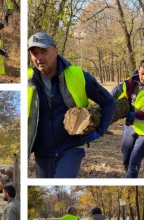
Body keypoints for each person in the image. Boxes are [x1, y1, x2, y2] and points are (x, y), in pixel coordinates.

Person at [27, 32, 116, 178]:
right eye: (34, 53)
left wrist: (99, 131)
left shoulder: (78, 75)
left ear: (55, 51)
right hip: (41, 153)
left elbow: (108, 102)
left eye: (44, 51)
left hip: (71, 147)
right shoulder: (27, 80)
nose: (39, 57)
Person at [111, 59, 144, 178]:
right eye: (142, 74)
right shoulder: (130, 83)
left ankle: (131, 178)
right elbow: (116, 93)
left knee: (133, 162)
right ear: (138, 70)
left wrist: (137, 114)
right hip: (129, 127)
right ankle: (130, 176)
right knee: (126, 158)